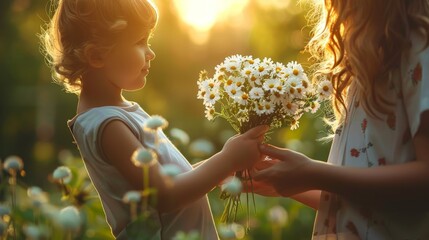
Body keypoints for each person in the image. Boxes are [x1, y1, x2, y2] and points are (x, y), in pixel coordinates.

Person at [40, 0, 268, 239]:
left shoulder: (116, 114)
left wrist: (220, 166)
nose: (151, 52)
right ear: (97, 55)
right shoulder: (108, 125)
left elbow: (167, 180)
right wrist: (227, 159)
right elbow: (165, 196)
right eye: (140, 42)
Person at [250, 0, 429, 239]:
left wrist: (314, 174)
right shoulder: (371, 61)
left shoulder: (419, 47)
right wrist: (288, 181)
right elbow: (361, 203)